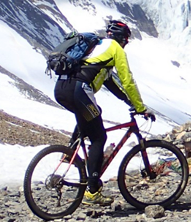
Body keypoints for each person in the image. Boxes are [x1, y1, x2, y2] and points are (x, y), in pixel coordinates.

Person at [54, 19, 154, 206]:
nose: (125, 44)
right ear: (122, 39)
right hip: (79, 91)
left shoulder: (96, 47)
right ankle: (92, 191)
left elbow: (111, 83)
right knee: (99, 138)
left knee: (92, 113)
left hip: (61, 88)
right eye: (126, 40)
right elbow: (127, 81)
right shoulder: (116, 49)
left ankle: (71, 151)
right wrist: (140, 107)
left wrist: (127, 101)